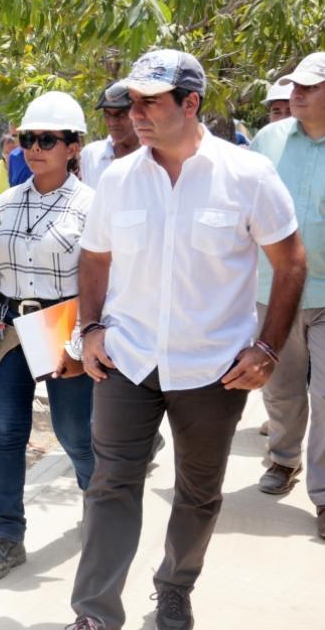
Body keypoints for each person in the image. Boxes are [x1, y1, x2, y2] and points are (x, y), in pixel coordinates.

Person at [65, 50, 305, 630]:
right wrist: (91, 328)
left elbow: (292, 261)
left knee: (198, 491)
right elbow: (95, 258)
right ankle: (95, 614)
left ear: (191, 103)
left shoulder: (247, 175)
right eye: (131, 102)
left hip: (215, 369)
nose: (134, 113)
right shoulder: (118, 179)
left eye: (150, 102)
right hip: (128, 360)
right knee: (110, 485)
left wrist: (267, 348)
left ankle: (175, 586)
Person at [0, 91, 95, 581]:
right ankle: (8, 535)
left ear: (73, 147)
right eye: (27, 138)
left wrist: (81, 343)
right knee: (6, 432)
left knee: (72, 433)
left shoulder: (90, 205)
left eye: (48, 139)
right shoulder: (5, 203)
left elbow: (99, 284)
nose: (34, 147)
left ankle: (97, 497)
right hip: (12, 328)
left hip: (64, 326)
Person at [250, 51, 325, 539]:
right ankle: (283, 458)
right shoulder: (268, 140)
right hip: (273, 288)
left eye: (309, 87)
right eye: (294, 85)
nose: (295, 93)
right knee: (280, 386)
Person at [78, 82, 139, 188]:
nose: (112, 122)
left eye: (121, 114)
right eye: (107, 115)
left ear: (136, 113)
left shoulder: (155, 156)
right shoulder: (90, 155)